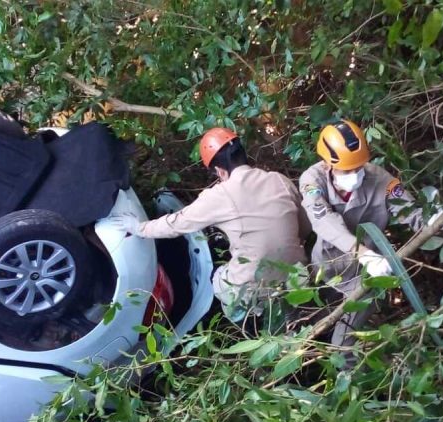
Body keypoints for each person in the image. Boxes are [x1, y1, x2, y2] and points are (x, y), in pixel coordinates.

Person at [108, 127, 310, 323]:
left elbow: (176, 224)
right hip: (298, 275)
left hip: (257, 285)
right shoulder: (278, 180)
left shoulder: (221, 196)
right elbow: (305, 227)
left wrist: (138, 228)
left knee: (220, 278)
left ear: (220, 171)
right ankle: (289, 315)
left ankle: (249, 321)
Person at [299, 119, 443, 350]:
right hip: (328, 265)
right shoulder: (312, 180)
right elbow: (322, 219)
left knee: (343, 342)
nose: (356, 174)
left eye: (359, 167)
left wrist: (437, 219)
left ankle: (348, 375)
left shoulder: (380, 179)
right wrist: (361, 251)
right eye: (348, 170)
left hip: (368, 274)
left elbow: (408, 209)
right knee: (319, 318)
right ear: (328, 164)